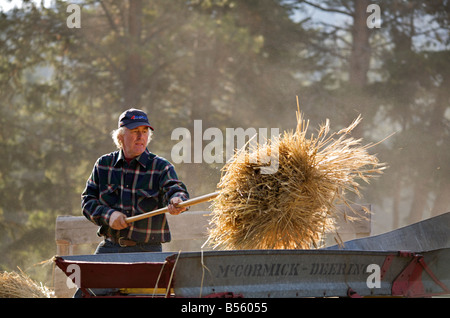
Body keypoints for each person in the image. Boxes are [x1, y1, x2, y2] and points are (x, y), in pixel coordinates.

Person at [81, 108, 189, 255]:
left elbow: (175, 189)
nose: (140, 136)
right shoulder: (103, 164)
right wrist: (109, 215)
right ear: (120, 137)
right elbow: (88, 201)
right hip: (110, 247)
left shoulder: (161, 167)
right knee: (91, 277)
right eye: (134, 131)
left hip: (148, 250)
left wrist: (177, 200)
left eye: (145, 132)